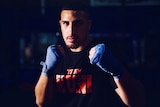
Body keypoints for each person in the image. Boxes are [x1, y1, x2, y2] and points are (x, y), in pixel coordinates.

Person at [34, 1, 146, 107]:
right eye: (66, 23)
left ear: (88, 25)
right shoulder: (55, 55)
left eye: (78, 23)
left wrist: (116, 70)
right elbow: (41, 102)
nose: (71, 31)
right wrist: (46, 70)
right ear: (60, 24)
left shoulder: (105, 53)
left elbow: (137, 102)